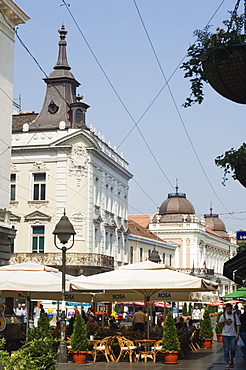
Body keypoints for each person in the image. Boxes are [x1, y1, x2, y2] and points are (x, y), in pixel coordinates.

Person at [219, 303, 241, 369]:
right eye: (227, 309)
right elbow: (219, 325)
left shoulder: (234, 316)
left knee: (233, 348)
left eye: (229, 309)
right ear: (226, 309)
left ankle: (231, 358)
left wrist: (237, 334)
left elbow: (238, 325)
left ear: (232, 309)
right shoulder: (223, 316)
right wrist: (222, 322)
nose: (228, 311)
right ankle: (227, 363)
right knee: (226, 349)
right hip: (225, 334)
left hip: (233, 334)